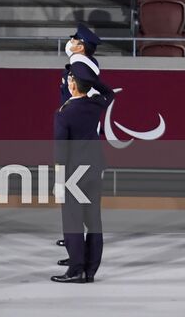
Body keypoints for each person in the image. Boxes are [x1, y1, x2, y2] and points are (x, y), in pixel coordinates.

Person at [51, 60, 114, 285]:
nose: (68, 82)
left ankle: (76, 269)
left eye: (71, 79)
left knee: (73, 222)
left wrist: (59, 181)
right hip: (94, 168)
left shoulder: (63, 113)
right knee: (93, 221)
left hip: (73, 173)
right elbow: (109, 93)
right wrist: (91, 79)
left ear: (75, 85)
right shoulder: (96, 103)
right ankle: (90, 271)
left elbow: (61, 151)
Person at [59, 24, 101, 102]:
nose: (70, 42)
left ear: (80, 48)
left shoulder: (83, 67)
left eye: (73, 41)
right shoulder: (79, 64)